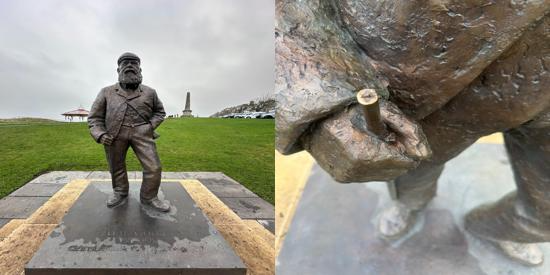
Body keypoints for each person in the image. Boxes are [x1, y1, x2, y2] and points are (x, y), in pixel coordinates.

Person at [276, 0, 550, 266]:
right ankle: (410, 204)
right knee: (411, 168)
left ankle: (508, 228)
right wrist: (325, 90)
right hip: (430, 82)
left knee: (544, 212)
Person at [88, 52, 170, 212]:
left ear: (140, 69)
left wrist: (150, 126)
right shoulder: (106, 92)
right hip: (114, 135)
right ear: (118, 69)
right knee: (116, 166)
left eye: (134, 63)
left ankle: (149, 197)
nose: (130, 66)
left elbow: (160, 112)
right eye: (125, 63)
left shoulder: (150, 92)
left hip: (142, 132)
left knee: (154, 167)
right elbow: (94, 118)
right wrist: (100, 134)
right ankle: (120, 192)